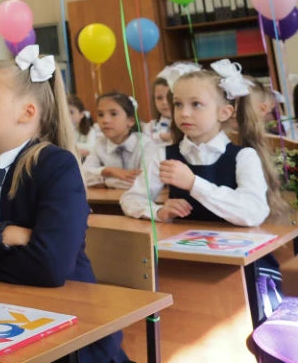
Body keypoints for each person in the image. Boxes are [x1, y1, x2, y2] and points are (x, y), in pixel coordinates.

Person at [0, 45, 128, 363]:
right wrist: (3, 236)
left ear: (27, 112)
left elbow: (50, 267)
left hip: (68, 329)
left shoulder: (55, 166)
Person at [120, 61, 289, 314]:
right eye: (178, 104)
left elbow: (253, 212)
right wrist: (158, 211)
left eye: (196, 104)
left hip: (241, 269)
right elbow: (131, 199)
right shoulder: (163, 154)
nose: (184, 113)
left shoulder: (244, 156)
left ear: (224, 112)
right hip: (184, 263)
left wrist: (193, 183)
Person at [82, 93, 155, 190]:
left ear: (131, 121)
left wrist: (106, 181)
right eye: (100, 115)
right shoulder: (100, 144)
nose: (105, 120)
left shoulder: (146, 144)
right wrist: (108, 171)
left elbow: (146, 183)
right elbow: (82, 176)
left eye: (113, 114)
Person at [143, 77, 173, 144]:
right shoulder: (148, 128)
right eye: (159, 98)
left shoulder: (187, 128)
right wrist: (158, 137)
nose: (164, 102)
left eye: (169, 97)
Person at [67, 94, 96, 160]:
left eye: (71, 112)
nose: (67, 116)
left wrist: (70, 147)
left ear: (81, 114)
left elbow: (91, 147)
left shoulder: (90, 130)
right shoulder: (63, 131)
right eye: (65, 112)